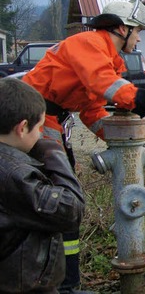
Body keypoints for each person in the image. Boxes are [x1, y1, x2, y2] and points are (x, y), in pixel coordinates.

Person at [23, 0, 145, 293]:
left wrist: (123, 143)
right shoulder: (88, 43)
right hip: (33, 121)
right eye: (138, 31)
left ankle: (67, 282)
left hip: (48, 122)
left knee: (64, 202)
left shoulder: (106, 57)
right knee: (58, 202)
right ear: (122, 28)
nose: (140, 37)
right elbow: (103, 83)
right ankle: (59, 283)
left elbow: (93, 111)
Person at [0, 78, 85, 293]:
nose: (40, 134)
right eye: (39, 127)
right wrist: (53, 151)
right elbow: (71, 210)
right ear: (22, 128)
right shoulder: (14, 175)